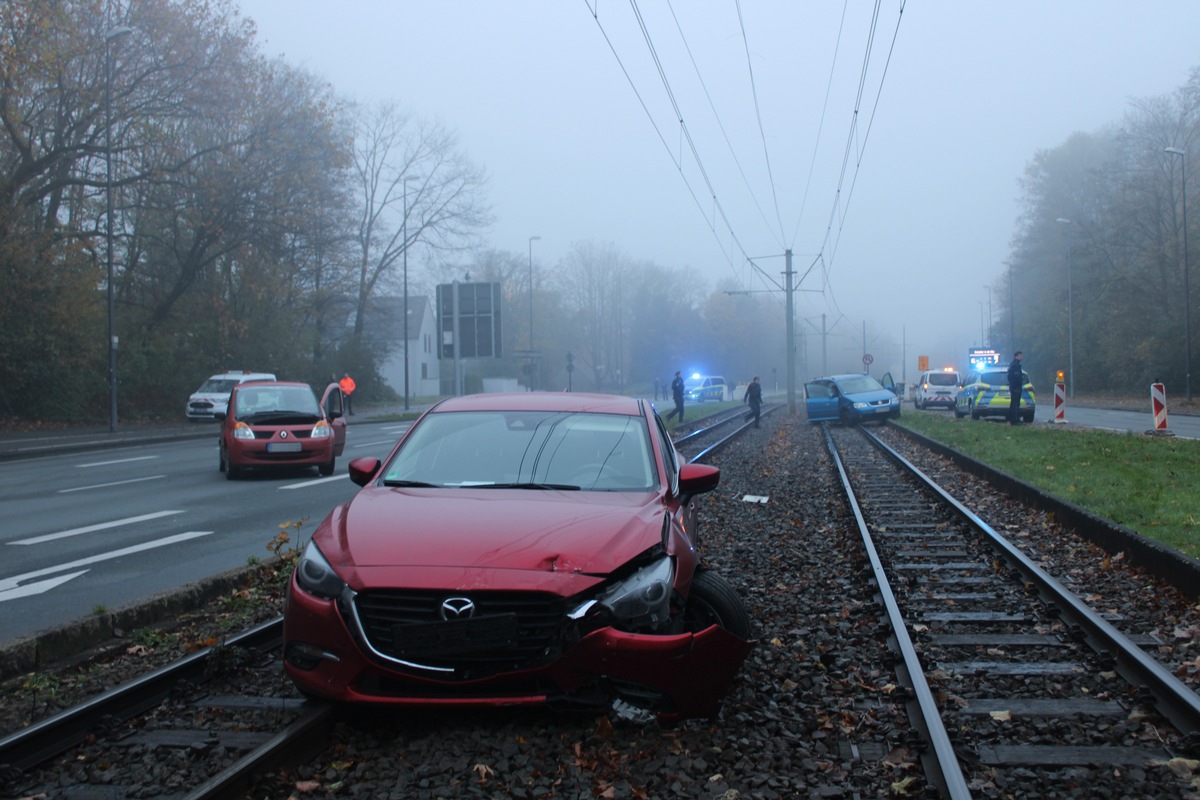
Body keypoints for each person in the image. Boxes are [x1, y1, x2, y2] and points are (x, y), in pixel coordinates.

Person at [1006, 351, 1024, 425]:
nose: (1022, 357)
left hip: (1014, 386)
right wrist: (1017, 385)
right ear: (1016, 356)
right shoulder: (1015, 365)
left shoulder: (1014, 364)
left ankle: (1014, 419)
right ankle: (1015, 420)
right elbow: (1016, 377)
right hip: (1015, 387)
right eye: (1020, 356)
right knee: (1015, 404)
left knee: (1014, 403)